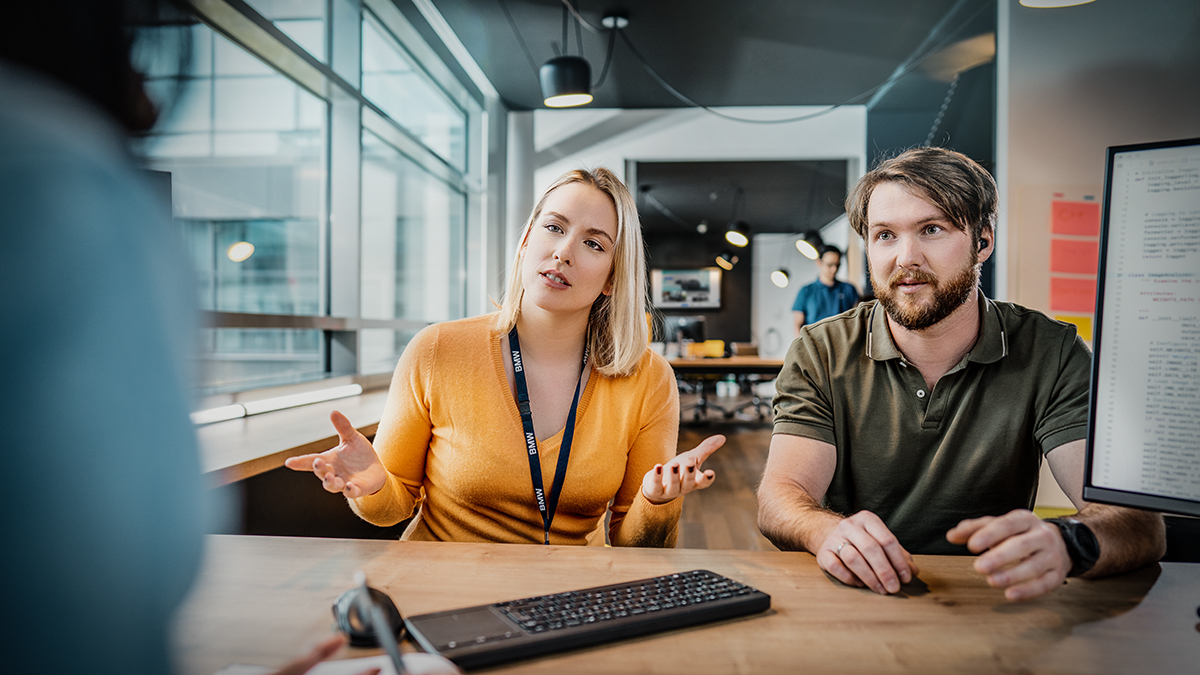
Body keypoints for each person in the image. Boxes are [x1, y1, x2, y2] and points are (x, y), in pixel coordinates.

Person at [0, 2, 450, 673]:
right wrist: (375, 482)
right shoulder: (64, 185)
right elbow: (101, 592)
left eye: (592, 242)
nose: (149, 99)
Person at [757, 147, 1165, 602]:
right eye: (885, 235)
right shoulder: (821, 350)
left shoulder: (1051, 350)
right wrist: (822, 530)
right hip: (855, 596)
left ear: (983, 240)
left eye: (931, 230)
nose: (905, 257)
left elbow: (1137, 521)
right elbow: (781, 495)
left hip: (997, 598)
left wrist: (1070, 542)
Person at [287, 168, 724, 546]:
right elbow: (393, 505)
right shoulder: (437, 349)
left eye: (594, 244)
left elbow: (633, 540)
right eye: (554, 227)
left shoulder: (647, 379)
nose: (563, 252)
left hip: (570, 598)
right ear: (525, 241)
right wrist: (375, 485)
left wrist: (657, 501)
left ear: (612, 278)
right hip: (444, 586)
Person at [792, 244, 859, 336]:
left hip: (843, 344)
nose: (834, 269)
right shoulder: (806, 291)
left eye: (837, 265)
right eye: (830, 265)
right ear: (819, 262)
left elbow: (857, 321)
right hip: (814, 345)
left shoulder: (849, 289)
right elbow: (797, 326)